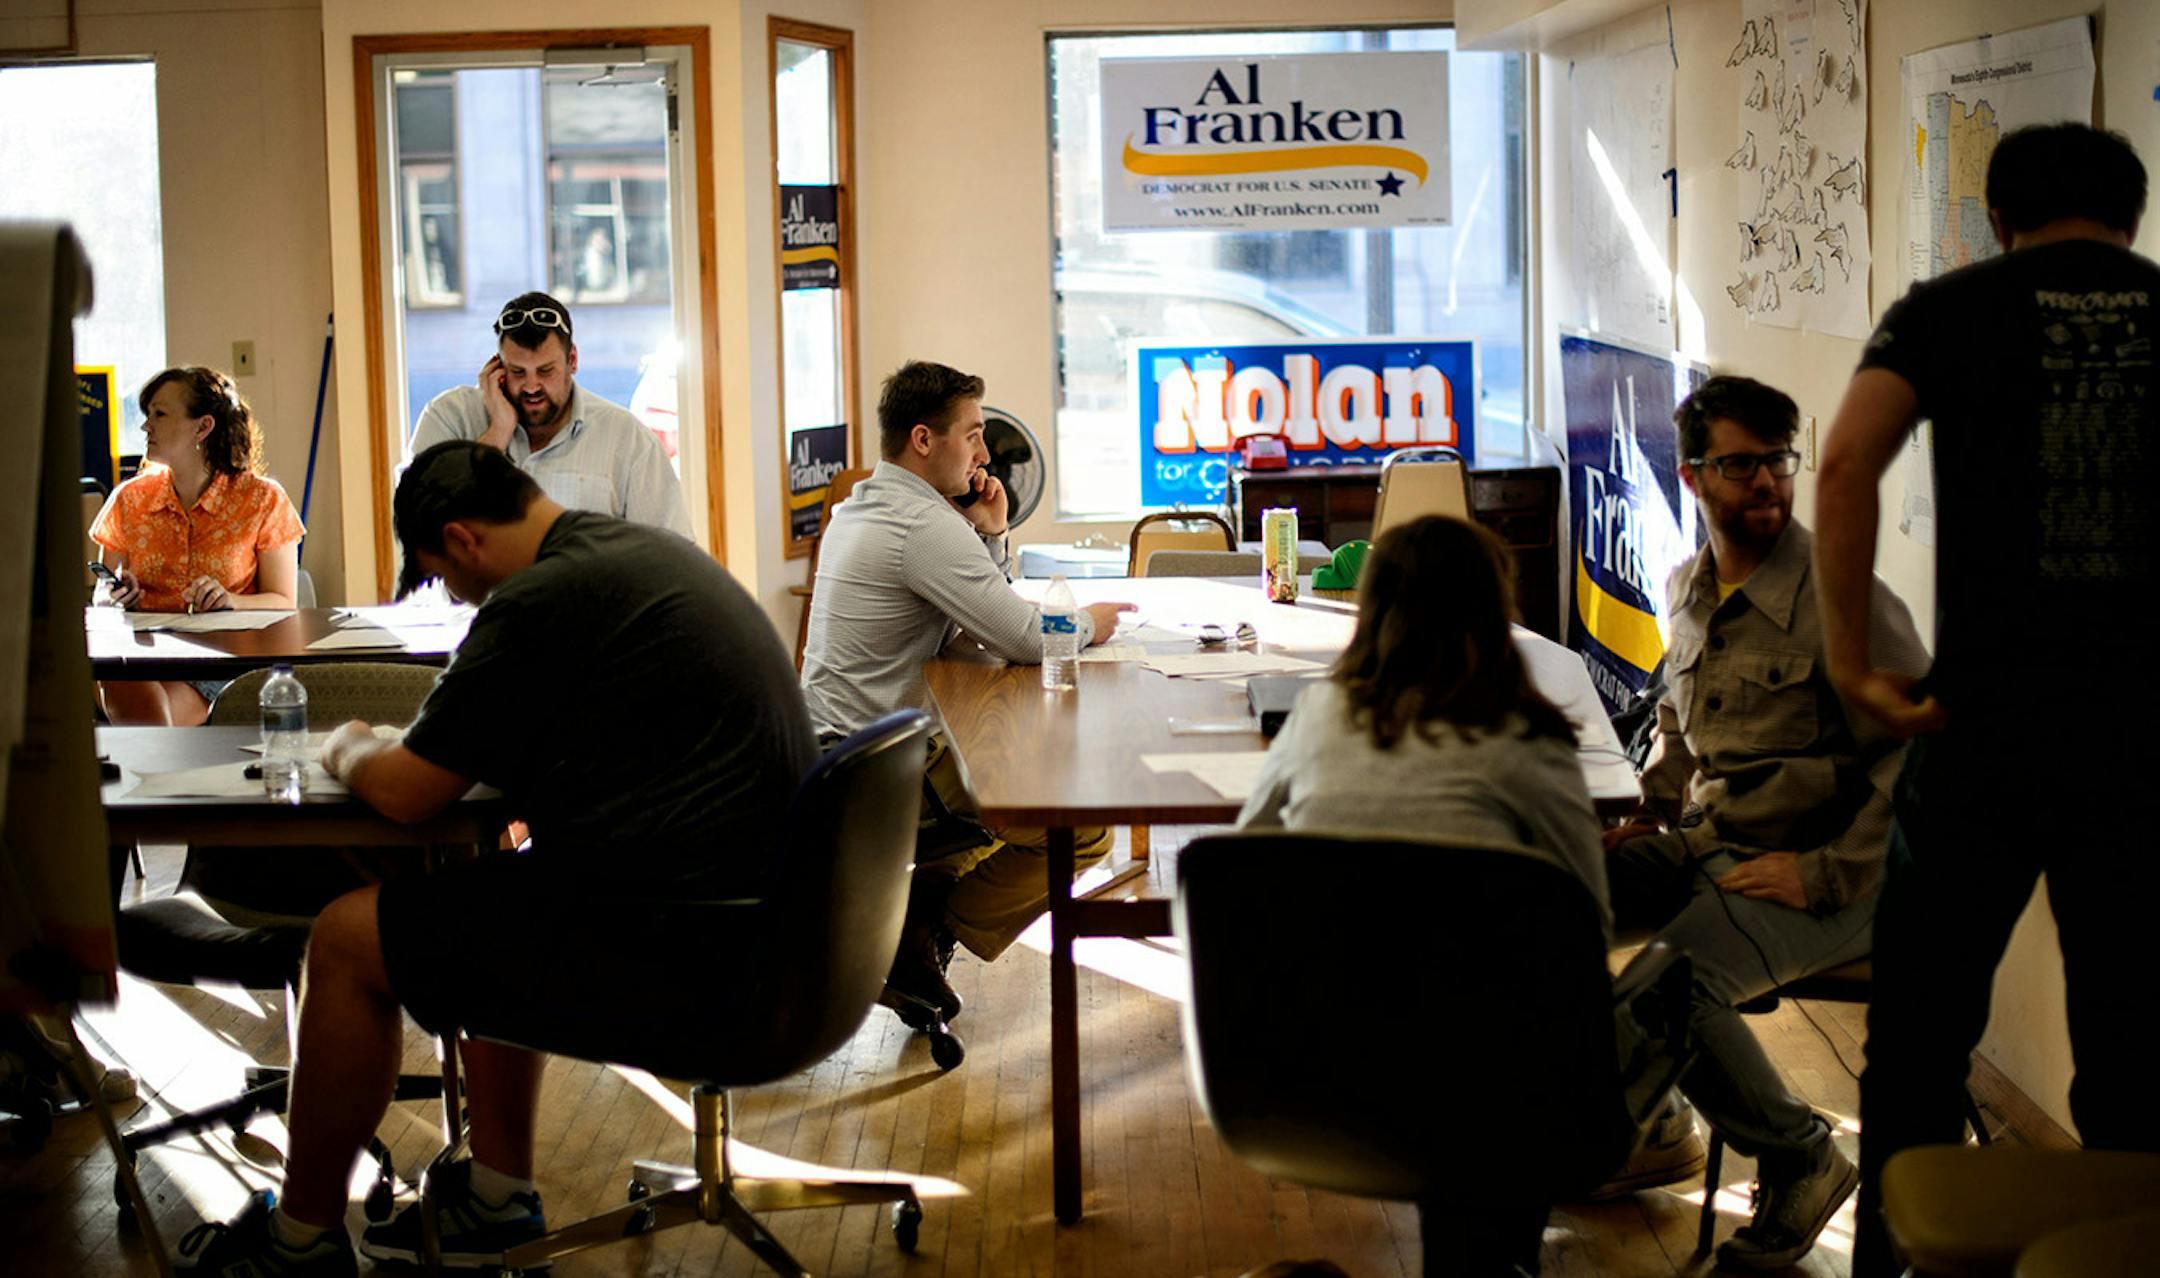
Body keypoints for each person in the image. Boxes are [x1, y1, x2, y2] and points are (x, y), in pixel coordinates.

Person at [173, 441, 816, 1276]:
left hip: (689, 948)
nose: (456, 594)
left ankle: (300, 1242)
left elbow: (408, 793)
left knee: (344, 938)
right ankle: (497, 1196)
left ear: (464, 538)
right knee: (493, 896)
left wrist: (348, 746)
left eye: (444, 574)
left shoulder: (538, 600)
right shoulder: (628, 552)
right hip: (767, 920)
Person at [1814, 123, 2160, 1278]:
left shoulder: (1948, 308)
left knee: (1916, 1039)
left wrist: (1858, 664)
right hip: (2145, 747)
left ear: (1998, 221)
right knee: (2133, 1047)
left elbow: (1847, 461)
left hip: (1982, 737)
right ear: (2133, 218)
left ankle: (1887, 1271)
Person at [1604, 375, 1928, 1271]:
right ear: (1693, 476)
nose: (1768, 485)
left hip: (1841, 869)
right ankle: (1653, 1110)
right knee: (1550, 897)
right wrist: (1648, 816)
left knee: (1677, 986)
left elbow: (1924, 759)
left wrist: (1821, 873)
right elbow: (1679, 724)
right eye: (1741, 465)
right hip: (1716, 841)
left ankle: (1802, 1159)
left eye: (1779, 462)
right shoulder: (1687, 585)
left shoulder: (1840, 596)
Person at [799, 359, 1130, 1024]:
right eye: (973, 434)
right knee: (1080, 827)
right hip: (878, 770)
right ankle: (924, 928)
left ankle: (920, 922)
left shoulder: (868, 505)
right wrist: (1094, 622)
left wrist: (992, 533)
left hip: (837, 754)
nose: (985, 452)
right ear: (924, 440)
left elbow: (975, 625)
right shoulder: (921, 526)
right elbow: (1026, 639)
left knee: (1018, 782)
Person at [1237, 514, 1610, 929]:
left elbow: (1246, 857)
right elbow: (1587, 917)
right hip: (1485, 988)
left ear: (1370, 609)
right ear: (1495, 609)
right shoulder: (1527, 738)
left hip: (1325, 983)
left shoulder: (1316, 712)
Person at [90, 366, 304, 726]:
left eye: (159, 414)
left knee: (151, 716)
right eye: (147, 415)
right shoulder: (128, 499)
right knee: (128, 682)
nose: (146, 426)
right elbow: (100, 592)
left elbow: (284, 602)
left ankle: (151, 775)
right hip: (138, 654)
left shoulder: (263, 499)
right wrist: (114, 595)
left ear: (203, 427)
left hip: (219, 659)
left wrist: (230, 600)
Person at [407, 291, 690, 537]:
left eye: (545, 371)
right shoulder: (449, 418)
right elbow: (417, 524)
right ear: (497, 367)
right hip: (480, 600)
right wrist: (496, 435)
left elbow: (673, 553)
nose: (531, 386)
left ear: (573, 360)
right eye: (517, 371)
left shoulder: (625, 438)